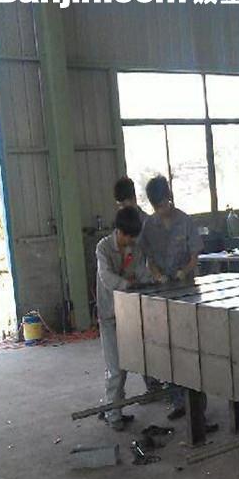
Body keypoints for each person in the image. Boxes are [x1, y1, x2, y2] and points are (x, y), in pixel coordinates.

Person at [139, 175, 203, 419]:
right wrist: (157, 276)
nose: (162, 209)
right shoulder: (149, 226)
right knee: (169, 349)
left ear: (170, 198)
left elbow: (195, 255)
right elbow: (148, 259)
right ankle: (178, 401)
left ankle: (198, 406)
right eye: (157, 206)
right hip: (163, 294)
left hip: (187, 293)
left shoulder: (185, 222)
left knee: (191, 348)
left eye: (164, 204)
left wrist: (183, 271)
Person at [96, 206, 151, 430]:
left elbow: (141, 272)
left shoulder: (134, 249)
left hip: (129, 314)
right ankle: (113, 415)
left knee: (126, 365)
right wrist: (127, 284)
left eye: (133, 237)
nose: (130, 241)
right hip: (109, 314)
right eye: (127, 236)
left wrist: (155, 280)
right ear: (118, 231)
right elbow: (106, 277)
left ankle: (115, 407)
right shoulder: (103, 248)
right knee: (115, 369)